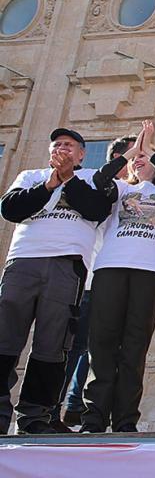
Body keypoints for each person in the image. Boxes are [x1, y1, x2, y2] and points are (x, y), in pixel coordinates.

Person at [0, 128, 110, 434]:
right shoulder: (30, 176)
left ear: (81, 154)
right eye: (57, 144)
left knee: (52, 343)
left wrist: (68, 179)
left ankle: (34, 417)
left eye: (69, 145)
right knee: (5, 337)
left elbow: (97, 209)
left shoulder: (92, 178)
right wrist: (50, 183)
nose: (62, 148)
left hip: (67, 264)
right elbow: (10, 209)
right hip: (23, 260)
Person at [80, 121, 155, 433]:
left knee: (135, 346)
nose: (140, 161)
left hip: (150, 273)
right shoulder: (120, 189)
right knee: (102, 344)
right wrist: (130, 154)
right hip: (110, 269)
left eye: (145, 158)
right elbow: (100, 179)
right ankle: (94, 417)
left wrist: (151, 149)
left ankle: (125, 419)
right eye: (136, 158)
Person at [55, 135, 137, 430]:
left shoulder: (131, 192)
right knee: (72, 346)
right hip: (88, 278)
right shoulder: (97, 186)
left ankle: (75, 404)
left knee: (97, 347)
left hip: (107, 281)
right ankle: (54, 408)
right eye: (133, 158)